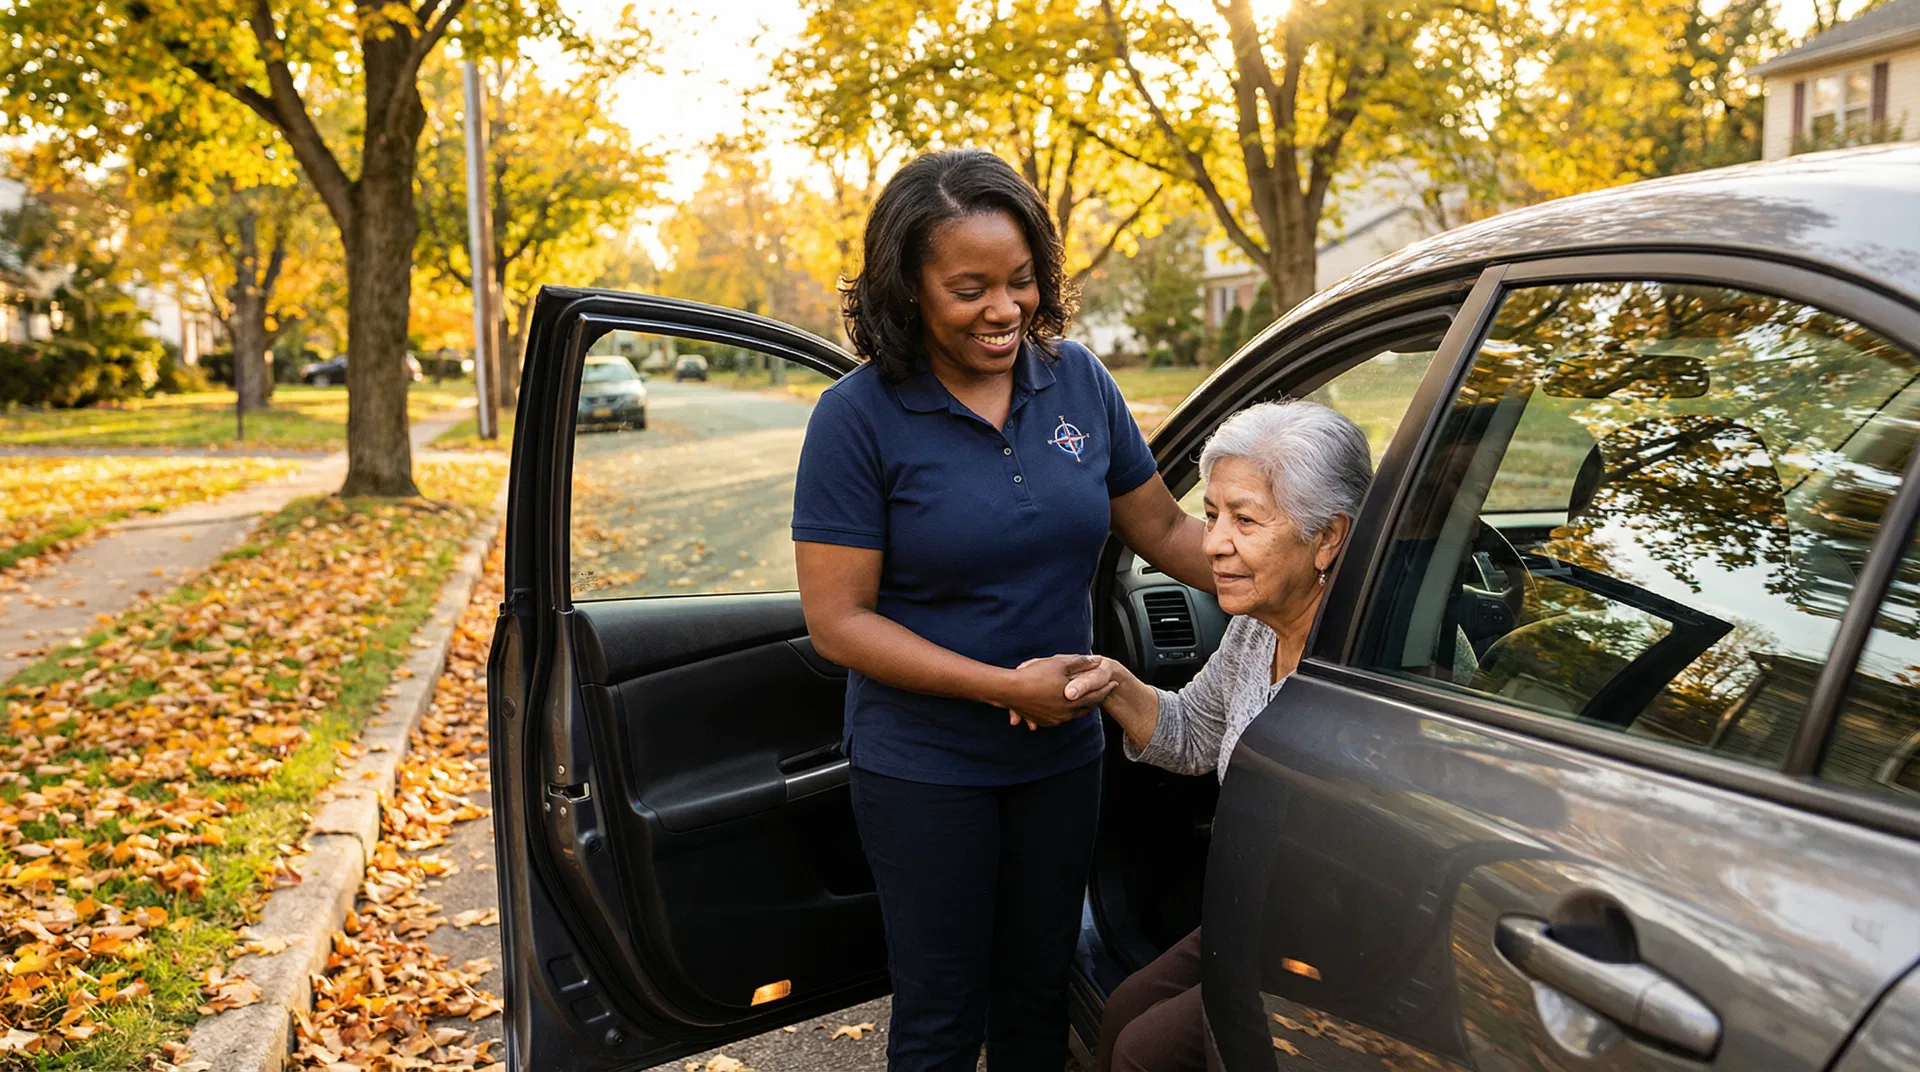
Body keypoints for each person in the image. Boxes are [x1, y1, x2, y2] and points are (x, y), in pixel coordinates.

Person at [790, 148, 1212, 1072]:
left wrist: (1302, 573)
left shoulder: (1077, 381)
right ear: (907, 290)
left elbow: (1168, 530)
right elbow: (838, 622)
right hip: (925, 768)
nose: (1005, 309)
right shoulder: (856, 420)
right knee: (943, 1018)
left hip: (1063, 755)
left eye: (1021, 281)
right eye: (970, 288)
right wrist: (999, 687)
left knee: (1036, 1000)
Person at [1062, 399, 1375, 1072]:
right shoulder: (1256, 628)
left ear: (1328, 537)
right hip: (1255, 912)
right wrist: (1114, 681)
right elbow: (1195, 733)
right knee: (1123, 1009)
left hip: (1338, 940)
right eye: (1210, 516)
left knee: (1146, 1054)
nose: (1212, 545)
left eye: (1245, 521)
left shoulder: (1372, 660)